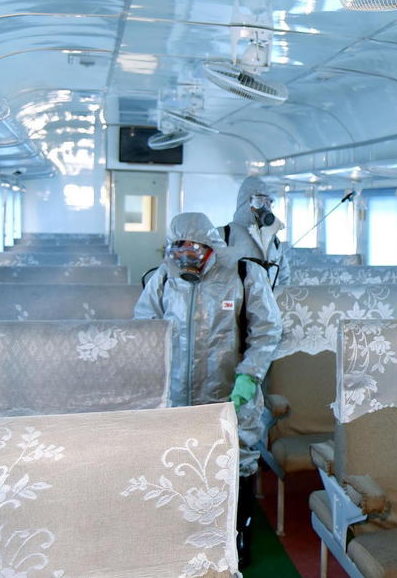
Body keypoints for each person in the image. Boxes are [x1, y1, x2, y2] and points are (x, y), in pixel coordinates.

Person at [134, 212, 282, 568]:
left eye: (193, 245)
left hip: (232, 391)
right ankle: (183, 535)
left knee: (235, 461)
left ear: (210, 245)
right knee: (179, 462)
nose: (185, 253)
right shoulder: (163, 279)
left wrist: (249, 376)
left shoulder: (244, 275)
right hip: (176, 395)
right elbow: (145, 329)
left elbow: (267, 331)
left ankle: (236, 535)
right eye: (178, 245)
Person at [223, 176, 291, 288]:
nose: (265, 208)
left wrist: (277, 297)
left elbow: (284, 277)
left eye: (268, 202)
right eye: (259, 202)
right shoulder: (225, 235)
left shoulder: (274, 241)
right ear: (245, 202)